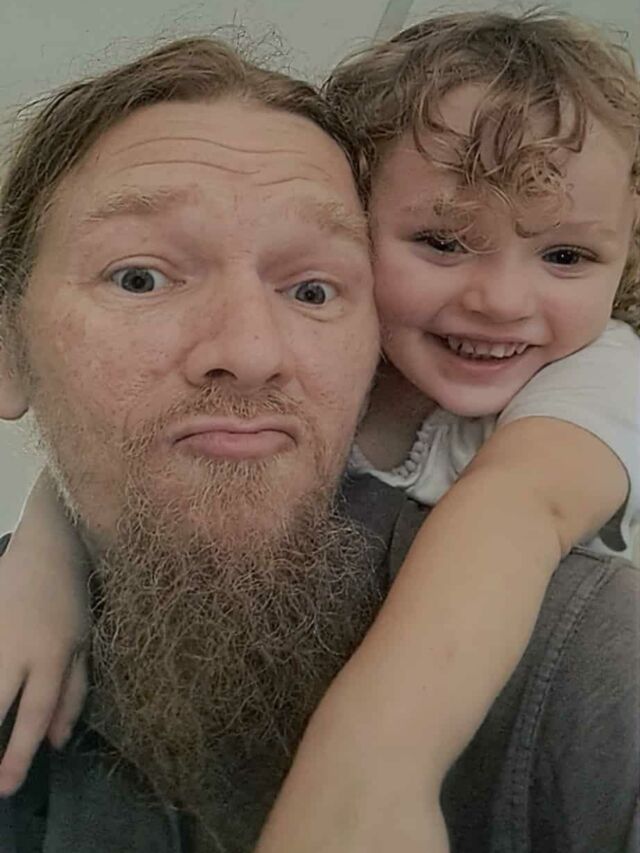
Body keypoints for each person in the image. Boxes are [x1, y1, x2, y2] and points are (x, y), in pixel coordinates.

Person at [0, 21, 638, 853]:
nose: (501, 302)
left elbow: (518, 505)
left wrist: (377, 761)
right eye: (141, 277)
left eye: (310, 289)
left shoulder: (592, 395)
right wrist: (45, 559)